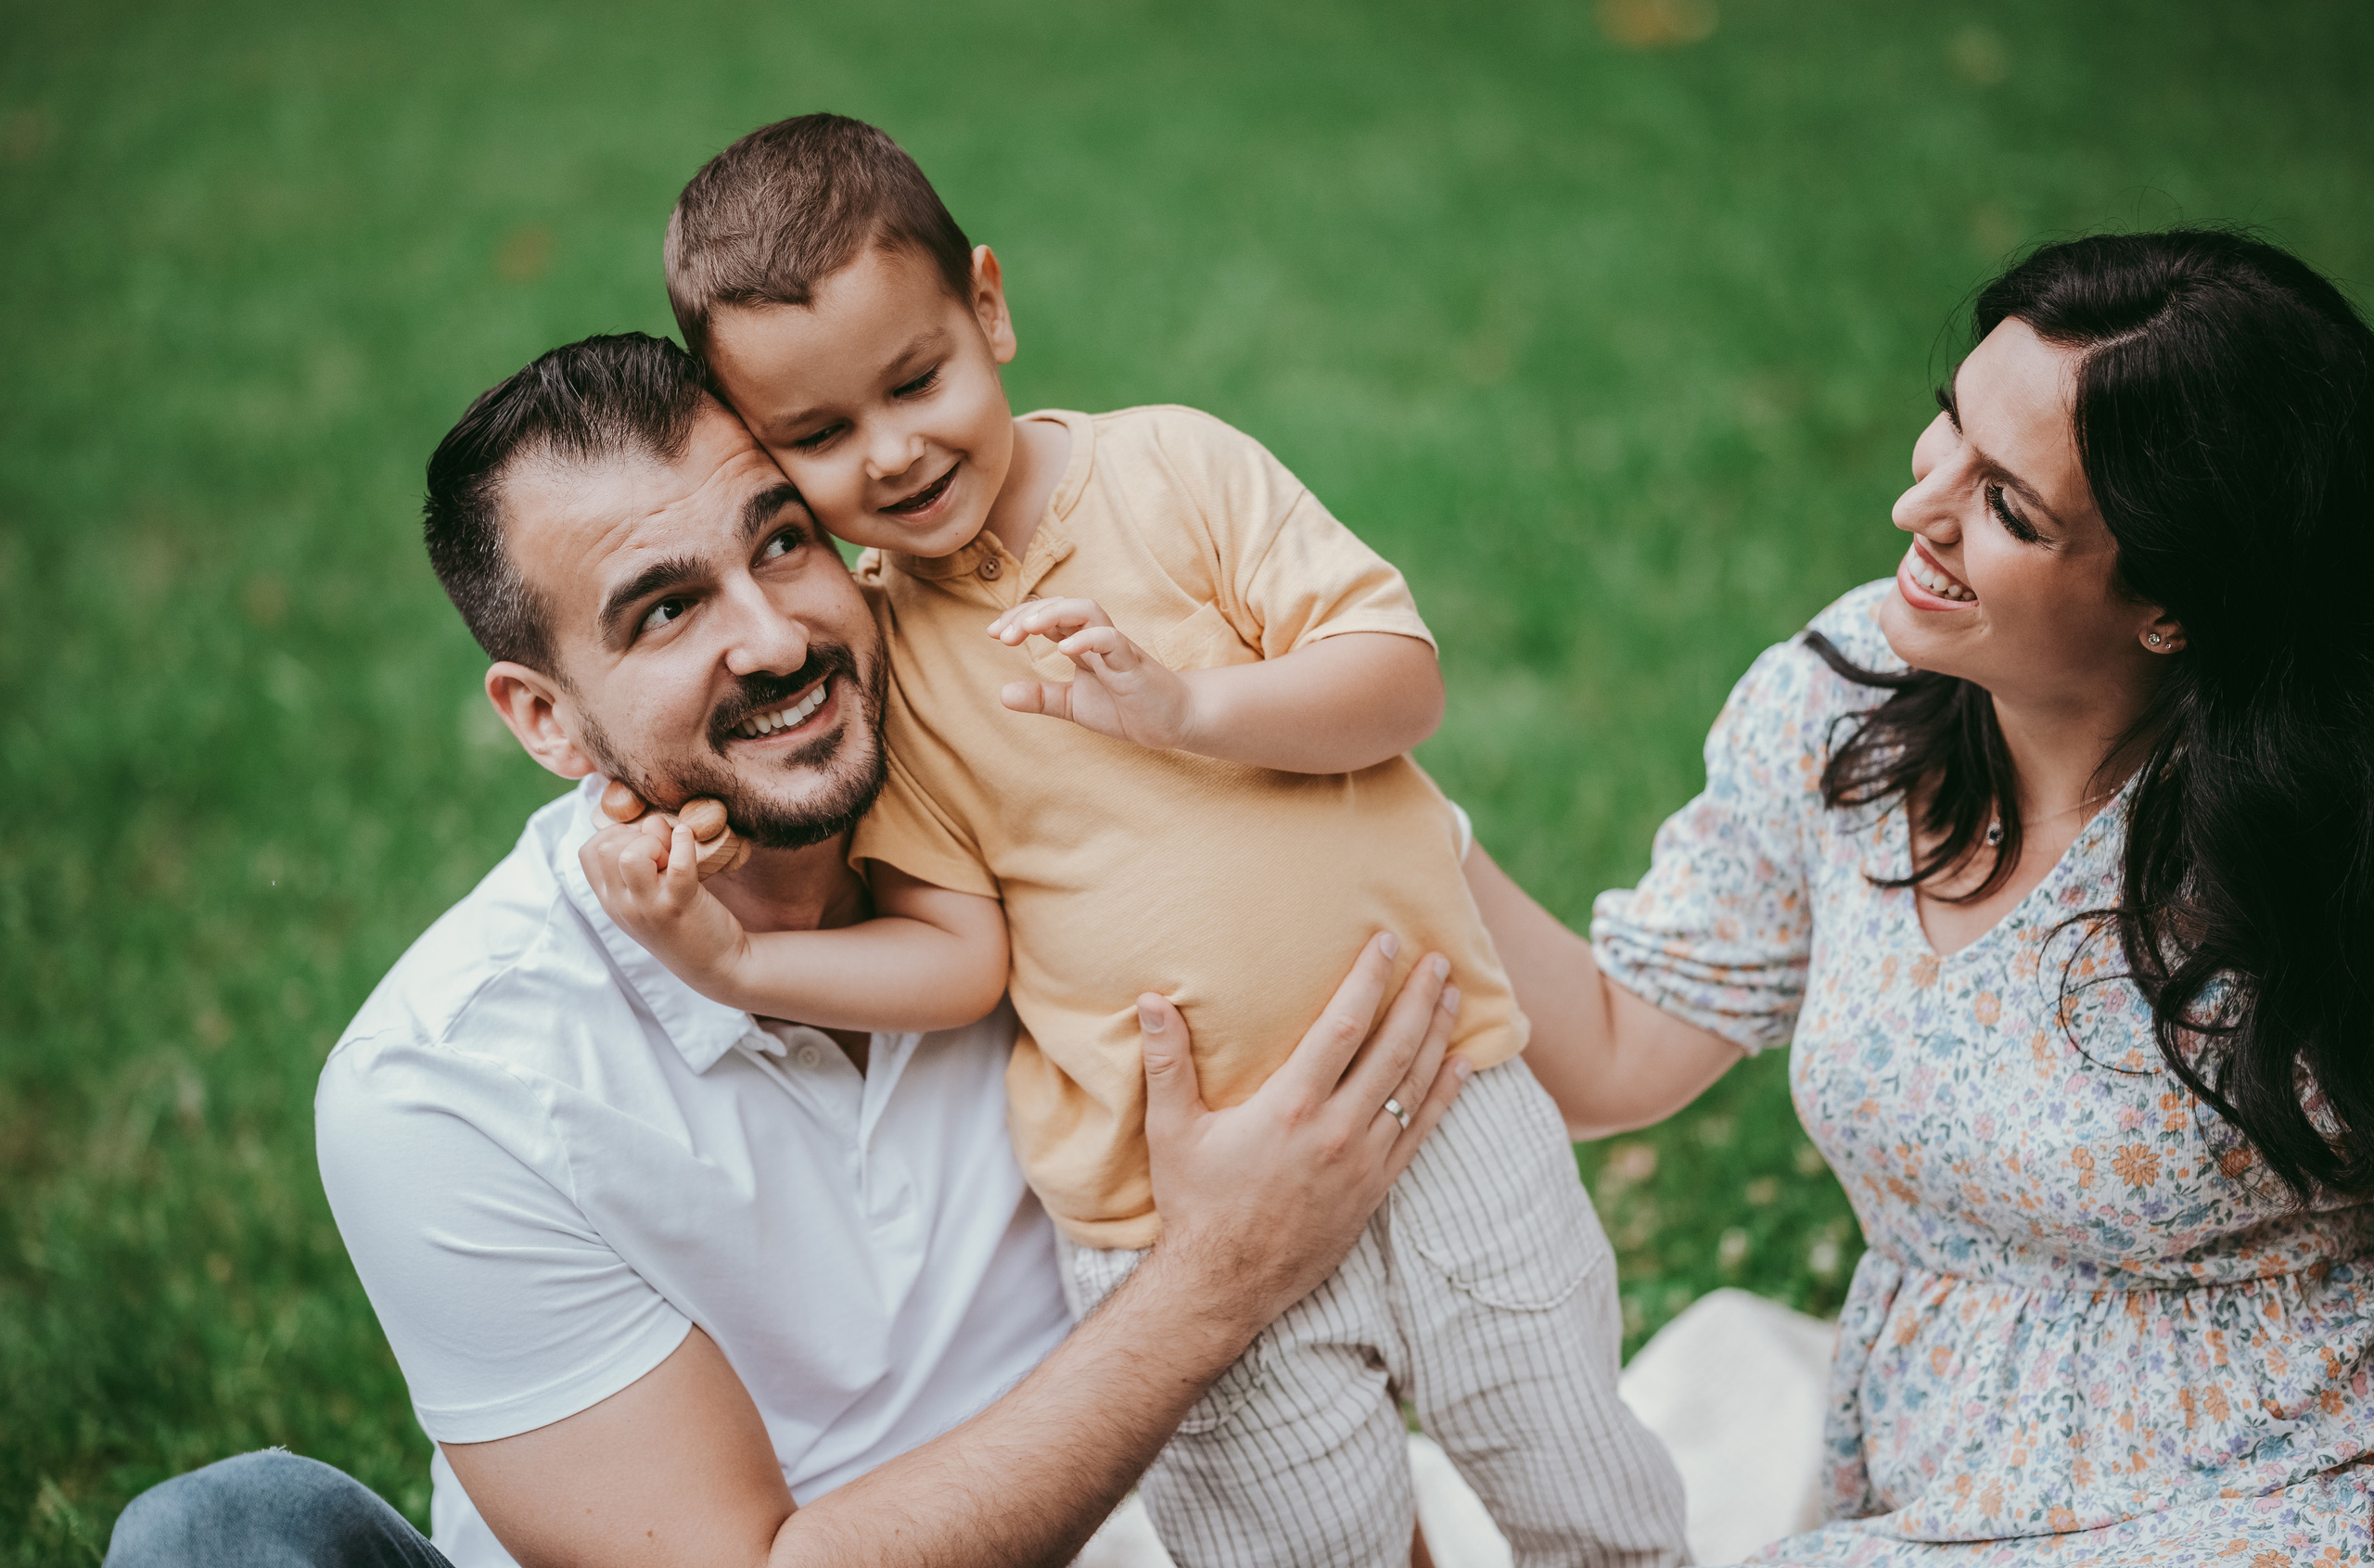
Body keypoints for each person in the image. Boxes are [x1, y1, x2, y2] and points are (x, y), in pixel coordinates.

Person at [101, 333, 1473, 1568]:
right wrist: (1216, 1281)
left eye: (779, 545)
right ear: (546, 722)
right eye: (664, 610)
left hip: (1112, 1523)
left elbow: (1506, 983)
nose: (774, 639)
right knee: (218, 1538)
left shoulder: (1049, 794)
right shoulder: (452, 1079)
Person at [603, 112, 1685, 1567]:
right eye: (820, 437)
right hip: (1168, 1206)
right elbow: (960, 955)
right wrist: (735, 965)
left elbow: (1398, 680)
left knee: (1590, 1496)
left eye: (915, 380)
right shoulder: (889, 660)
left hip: (1441, 1096)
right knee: (1297, 1550)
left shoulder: (1173, 471)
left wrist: (1183, 707)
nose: (895, 451)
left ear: (987, 306)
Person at [1466, 228, 2374, 1562]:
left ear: (2174, 603)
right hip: (1936, 1479)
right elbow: (1612, 1052)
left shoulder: (2316, 826)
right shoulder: (1842, 708)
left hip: (2290, 1480)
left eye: (2008, 506)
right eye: (1944, 432)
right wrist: (1383, 799)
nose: (1919, 510)